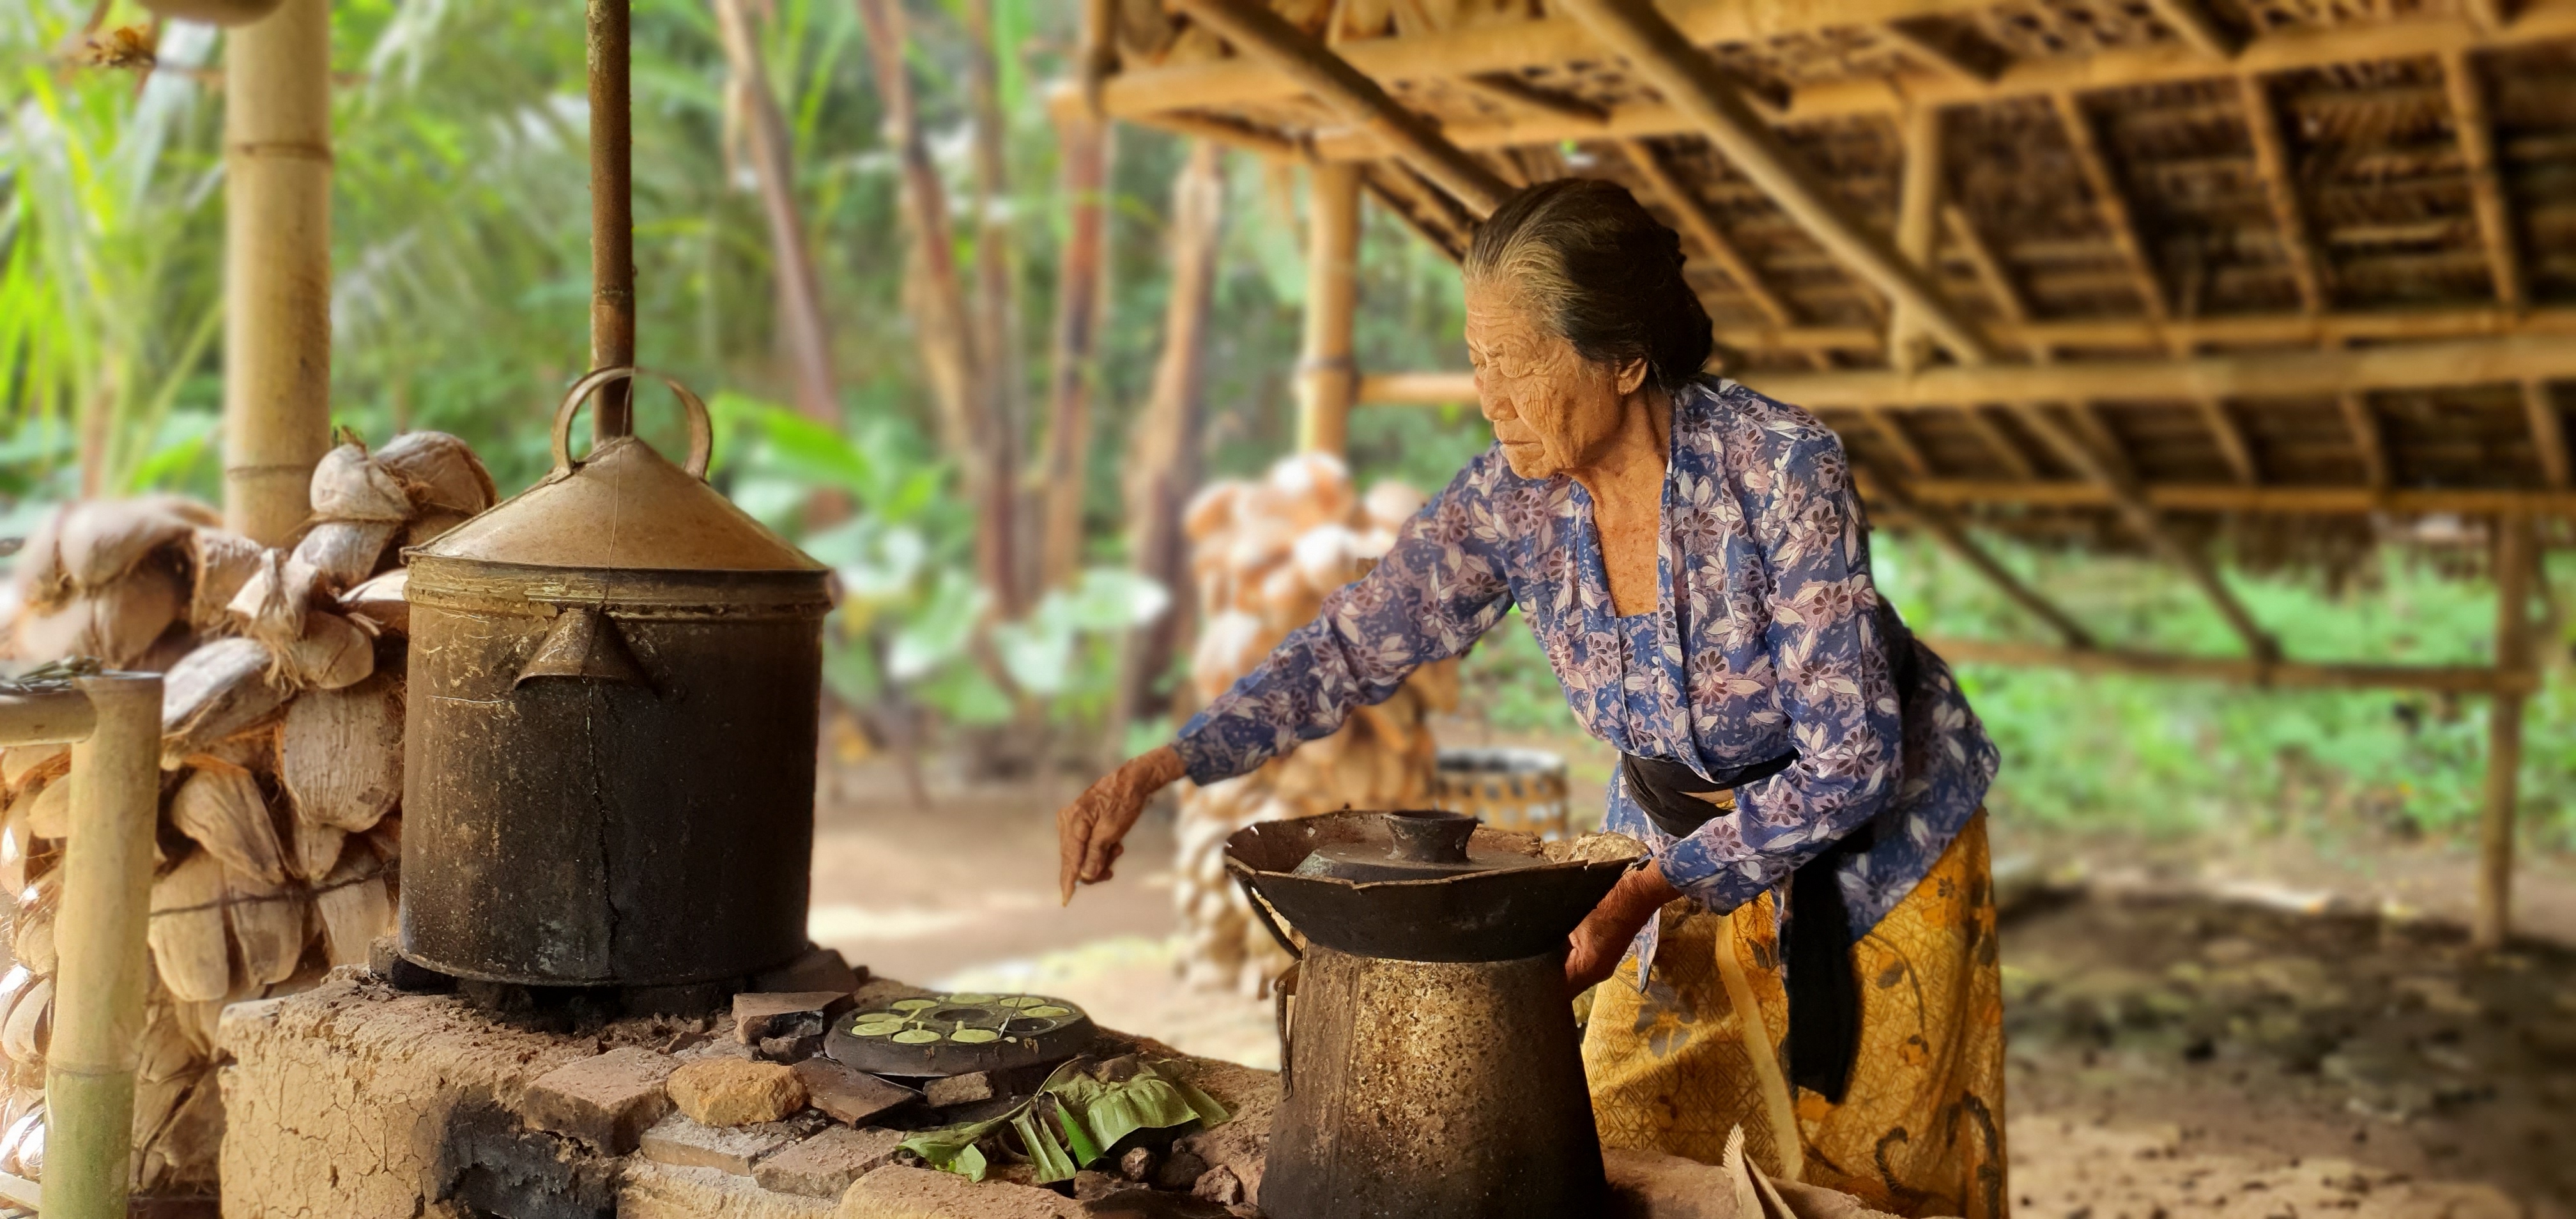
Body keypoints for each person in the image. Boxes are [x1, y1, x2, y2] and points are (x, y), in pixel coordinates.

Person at [1054, 178, 2005, 1218]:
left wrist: (1643, 891)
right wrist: (1165, 764)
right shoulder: (1510, 503)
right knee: (1626, 1140)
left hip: (1877, 851)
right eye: (1478, 361)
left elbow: (1850, 762)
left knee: (1861, 1177)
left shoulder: (1777, 468)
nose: (1492, 398)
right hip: (1666, 843)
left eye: (1519, 362)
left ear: (1625, 360)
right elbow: (1351, 645)